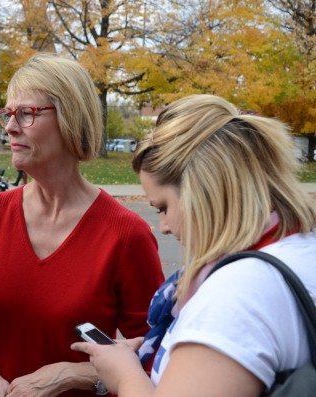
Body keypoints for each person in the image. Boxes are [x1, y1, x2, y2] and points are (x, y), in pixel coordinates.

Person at [0, 53, 164, 396]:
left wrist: (72, 374)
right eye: (8, 114)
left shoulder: (126, 234)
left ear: (71, 118)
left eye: (26, 113)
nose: (11, 126)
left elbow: (152, 352)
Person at [71, 94, 316, 397]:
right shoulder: (298, 246)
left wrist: (125, 377)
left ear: (202, 192)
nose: (164, 226)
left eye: (162, 207)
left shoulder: (238, 294)